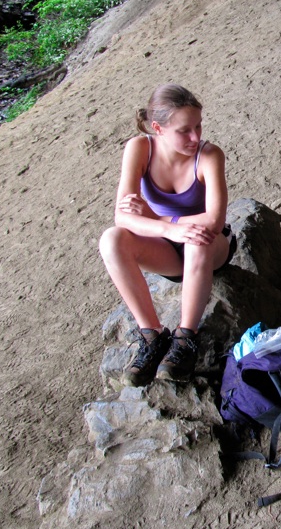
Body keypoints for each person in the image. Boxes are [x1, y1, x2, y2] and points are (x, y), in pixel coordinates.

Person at [99, 84, 236, 386]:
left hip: (211, 248)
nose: (196, 137)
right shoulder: (139, 148)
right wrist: (169, 227)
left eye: (198, 126)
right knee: (111, 240)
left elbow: (214, 220)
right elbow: (122, 217)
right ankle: (152, 336)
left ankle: (186, 338)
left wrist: (152, 217)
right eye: (184, 131)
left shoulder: (209, 156)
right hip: (165, 248)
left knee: (197, 238)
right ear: (158, 128)